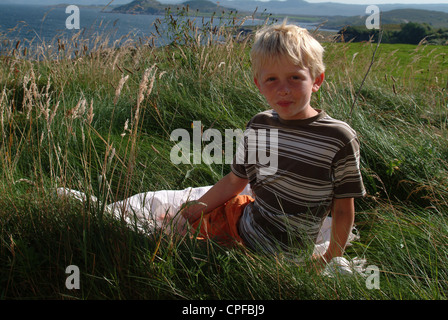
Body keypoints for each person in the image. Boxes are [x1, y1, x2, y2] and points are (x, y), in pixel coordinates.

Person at [180, 20, 366, 269]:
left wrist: (330, 257)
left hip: (286, 255)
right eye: (271, 80)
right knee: (179, 225)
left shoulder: (338, 138)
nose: (283, 90)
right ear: (258, 84)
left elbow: (343, 209)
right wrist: (193, 212)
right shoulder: (260, 124)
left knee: (196, 252)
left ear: (316, 80)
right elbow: (236, 182)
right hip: (244, 224)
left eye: (295, 77)